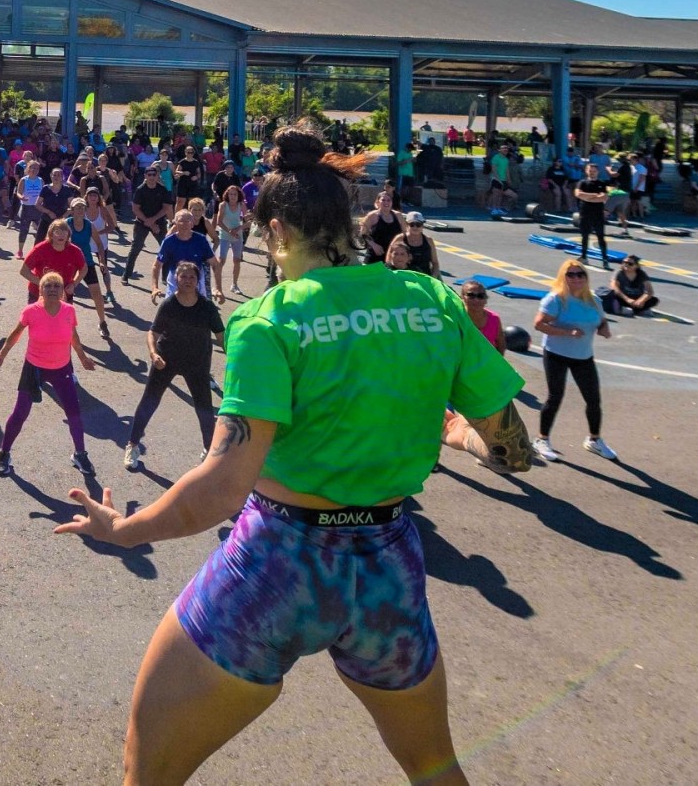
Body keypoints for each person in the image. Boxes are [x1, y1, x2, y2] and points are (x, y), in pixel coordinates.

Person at [54, 123, 531, 784]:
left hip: (281, 565)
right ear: (351, 221)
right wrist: (462, 434)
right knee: (433, 764)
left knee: (149, 769)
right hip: (390, 565)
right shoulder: (431, 301)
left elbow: (220, 490)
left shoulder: (270, 320)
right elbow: (512, 451)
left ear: (275, 231)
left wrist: (125, 530)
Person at [0, 271, 97, 477]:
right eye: (47, 286)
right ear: (40, 290)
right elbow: (16, 334)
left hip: (62, 368)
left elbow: (73, 337)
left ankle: (80, 454)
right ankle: (4, 453)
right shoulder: (31, 311)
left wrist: (83, 358)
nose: (52, 289)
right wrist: (1, 355)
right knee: (20, 413)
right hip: (34, 368)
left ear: (62, 291)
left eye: (56, 286)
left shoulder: (69, 311)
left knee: (74, 413)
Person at [124, 261, 224, 472]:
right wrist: (153, 354)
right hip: (166, 359)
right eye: (183, 277)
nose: (187, 281)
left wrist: (236, 357)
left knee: (204, 408)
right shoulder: (169, 305)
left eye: (192, 277)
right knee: (149, 401)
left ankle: (209, 451)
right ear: (176, 279)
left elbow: (222, 337)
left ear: (198, 281)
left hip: (197, 362)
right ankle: (132, 445)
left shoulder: (207, 307)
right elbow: (153, 332)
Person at [532, 259, 616, 462]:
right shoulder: (555, 299)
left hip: (583, 356)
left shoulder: (594, 299)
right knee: (555, 396)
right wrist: (567, 332)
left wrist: (603, 329)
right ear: (563, 277)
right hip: (556, 354)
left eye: (580, 274)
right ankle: (541, 439)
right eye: (571, 274)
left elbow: (601, 320)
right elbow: (539, 324)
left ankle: (594, 440)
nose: (576, 278)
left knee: (593, 399)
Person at [152, 210, 222, 305]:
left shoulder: (201, 240)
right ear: (175, 223)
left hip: (196, 281)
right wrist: (154, 287)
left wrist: (218, 288)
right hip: (175, 280)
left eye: (188, 221)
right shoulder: (168, 242)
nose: (185, 224)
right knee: (171, 312)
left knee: (200, 312)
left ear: (192, 223)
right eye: (181, 221)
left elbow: (215, 264)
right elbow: (157, 265)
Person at [65, 199, 111, 337]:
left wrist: (102, 262)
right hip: (70, 264)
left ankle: (102, 322)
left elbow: (99, 245)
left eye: (82, 207)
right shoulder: (66, 224)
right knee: (68, 295)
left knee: (97, 293)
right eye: (77, 207)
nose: (80, 210)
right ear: (72, 210)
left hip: (87, 262)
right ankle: (67, 325)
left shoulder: (89, 225)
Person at [123, 166, 174, 285]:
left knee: (166, 249)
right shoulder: (140, 190)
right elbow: (135, 209)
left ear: (157, 176)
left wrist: (153, 221)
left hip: (159, 223)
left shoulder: (163, 190)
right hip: (142, 222)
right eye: (149, 175)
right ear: (145, 176)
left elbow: (166, 208)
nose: (151, 177)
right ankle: (126, 275)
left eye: (154, 175)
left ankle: (165, 277)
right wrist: (149, 222)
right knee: (136, 248)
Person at [572, 166, 611, 269]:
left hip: (598, 214)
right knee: (584, 236)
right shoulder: (582, 183)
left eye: (594, 171)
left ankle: (605, 259)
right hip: (585, 213)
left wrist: (587, 198)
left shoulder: (601, 183)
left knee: (600, 237)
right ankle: (584, 256)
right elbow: (578, 194)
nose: (592, 173)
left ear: (598, 172)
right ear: (586, 171)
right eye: (590, 171)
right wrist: (594, 195)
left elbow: (604, 197)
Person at [214, 185, 247, 295]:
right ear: (227, 195)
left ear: (239, 196)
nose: (232, 196)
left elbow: (248, 221)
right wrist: (229, 231)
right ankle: (217, 286)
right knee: (221, 260)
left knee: (237, 260)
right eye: (230, 194)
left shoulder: (241, 205)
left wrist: (238, 229)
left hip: (237, 235)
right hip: (225, 235)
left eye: (235, 194)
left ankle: (234, 285)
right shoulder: (223, 205)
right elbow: (219, 222)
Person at [359, 191, 402, 264]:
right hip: (376, 254)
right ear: (378, 202)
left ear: (392, 202)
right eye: (383, 200)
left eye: (388, 200)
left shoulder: (398, 216)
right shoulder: (372, 216)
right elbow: (362, 234)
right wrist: (373, 245)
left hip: (393, 255)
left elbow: (405, 234)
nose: (386, 202)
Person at [395, 211, 438, 277]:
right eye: (412, 224)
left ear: (422, 226)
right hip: (404, 277)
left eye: (418, 225)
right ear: (407, 225)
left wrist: (433, 277)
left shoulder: (429, 241)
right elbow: (389, 259)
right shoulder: (400, 239)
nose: (415, 227)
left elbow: (435, 263)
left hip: (424, 277)